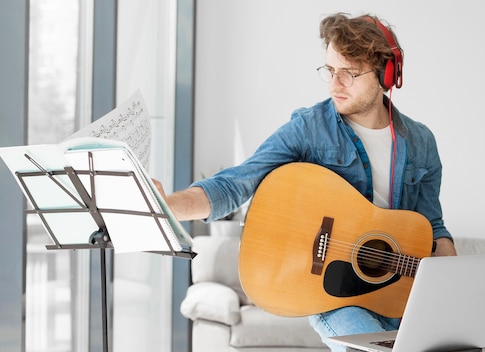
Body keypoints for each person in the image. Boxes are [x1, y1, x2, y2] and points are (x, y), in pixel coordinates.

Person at [155, 12, 456, 352]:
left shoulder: (421, 142)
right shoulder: (309, 128)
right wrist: (167, 206)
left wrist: (448, 268)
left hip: (402, 294)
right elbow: (237, 183)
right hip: (337, 297)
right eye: (329, 71)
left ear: (387, 74)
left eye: (349, 74)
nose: (334, 84)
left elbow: (432, 225)